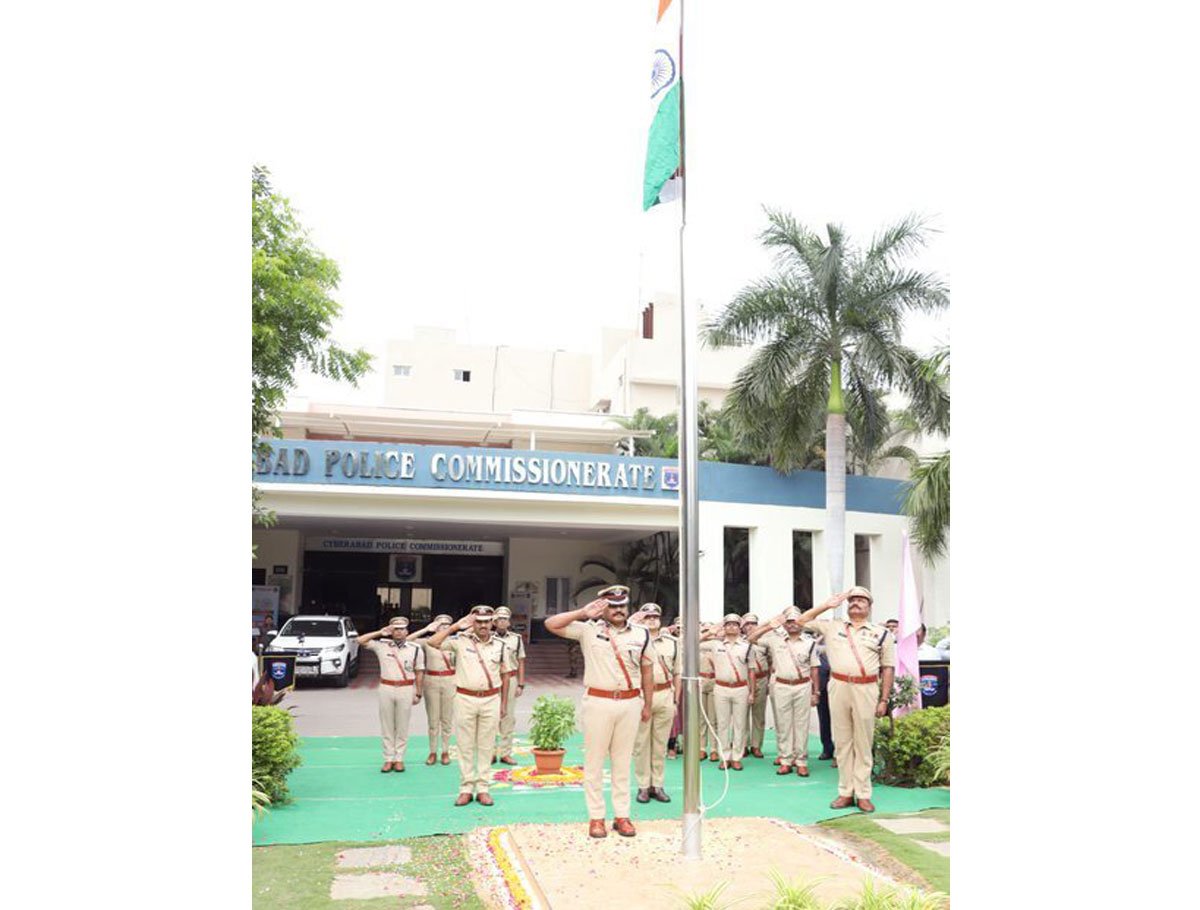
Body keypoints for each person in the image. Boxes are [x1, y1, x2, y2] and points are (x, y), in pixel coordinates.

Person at [545, 584, 654, 839]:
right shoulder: (588, 630)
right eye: (612, 606)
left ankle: (622, 816)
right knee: (594, 762)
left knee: (622, 762)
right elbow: (551, 624)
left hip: (630, 702)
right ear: (603, 608)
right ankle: (596, 818)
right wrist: (583, 613)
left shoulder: (642, 633)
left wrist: (647, 705)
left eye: (621, 605)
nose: (618, 610)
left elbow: (647, 671)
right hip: (598, 701)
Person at [799, 587, 896, 813]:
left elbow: (888, 667)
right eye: (852, 600)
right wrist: (827, 604)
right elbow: (802, 621)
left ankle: (863, 794)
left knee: (863, 742)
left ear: (869, 607)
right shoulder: (833, 626)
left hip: (866, 688)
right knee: (842, 741)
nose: (856, 603)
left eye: (861, 600)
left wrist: (884, 699)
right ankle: (845, 791)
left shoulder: (881, 633)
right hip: (839, 685)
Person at [426, 605, 510, 807]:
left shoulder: (500, 645)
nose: (483, 625)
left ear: (492, 623)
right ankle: (466, 788)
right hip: (465, 697)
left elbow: (505, 674)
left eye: (486, 621)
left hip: (491, 698)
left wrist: (504, 703)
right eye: (478, 621)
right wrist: (455, 626)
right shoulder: (460, 641)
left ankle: (483, 788)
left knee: (486, 745)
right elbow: (432, 642)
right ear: (473, 623)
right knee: (465, 745)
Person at [748, 606, 820, 776]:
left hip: (802, 685)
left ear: (802, 623)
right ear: (784, 624)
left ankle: (801, 760)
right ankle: (786, 760)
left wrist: (816, 692)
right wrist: (769, 626)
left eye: (795, 621)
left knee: (801, 724)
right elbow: (751, 638)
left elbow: (814, 668)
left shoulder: (809, 642)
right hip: (781, 685)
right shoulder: (775, 640)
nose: (792, 624)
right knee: (783, 724)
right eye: (788, 622)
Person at [357, 616, 426, 773]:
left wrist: (418, 692)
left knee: (402, 725)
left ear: (407, 631)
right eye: (395, 629)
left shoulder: (415, 649)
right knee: (387, 725)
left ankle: (399, 758)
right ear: (391, 631)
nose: (399, 632)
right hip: (386, 687)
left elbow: (419, 672)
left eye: (402, 629)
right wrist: (379, 632)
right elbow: (360, 640)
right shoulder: (382, 645)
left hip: (406, 688)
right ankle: (388, 758)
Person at [630, 603, 680, 803]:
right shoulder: (634, 641)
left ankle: (657, 785)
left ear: (660, 620)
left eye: (655, 617)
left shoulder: (672, 643)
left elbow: (678, 673)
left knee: (660, 744)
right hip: (642, 696)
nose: (651, 620)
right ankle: (643, 786)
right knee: (641, 744)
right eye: (647, 617)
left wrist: (675, 701)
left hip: (665, 694)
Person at [700, 614, 753, 770]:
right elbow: (690, 643)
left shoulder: (746, 646)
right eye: (728, 624)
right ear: (723, 627)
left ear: (740, 628)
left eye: (735, 624)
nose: (731, 627)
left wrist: (751, 692)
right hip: (721, 687)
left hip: (740, 687)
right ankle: (724, 756)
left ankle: (736, 756)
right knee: (722, 724)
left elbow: (751, 670)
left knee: (739, 724)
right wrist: (710, 632)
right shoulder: (715, 644)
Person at [409, 613, 456, 766]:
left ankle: (445, 751)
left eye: (446, 625)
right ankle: (433, 751)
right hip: (431, 680)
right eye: (440, 624)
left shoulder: (456, 642)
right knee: (433, 720)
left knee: (447, 719)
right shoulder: (428, 642)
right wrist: (426, 629)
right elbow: (408, 640)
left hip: (450, 680)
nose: (443, 627)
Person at [492, 605, 526, 764]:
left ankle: (505, 753)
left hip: (511, 679)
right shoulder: (488, 637)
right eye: (499, 619)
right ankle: (491, 752)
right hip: (493, 679)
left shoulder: (516, 639)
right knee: (491, 716)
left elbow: (521, 661)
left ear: (509, 622)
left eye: (505, 619)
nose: (502, 621)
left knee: (508, 716)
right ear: (494, 621)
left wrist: (521, 684)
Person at [741, 613, 771, 759]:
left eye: (753, 623)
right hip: (744, 681)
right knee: (742, 715)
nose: (750, 626)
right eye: (747, 624)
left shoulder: (764, 642)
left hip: (761, 679)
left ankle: (756, 745)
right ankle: (743, 745)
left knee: (759, 715)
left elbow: (771, 662)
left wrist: (769, 681)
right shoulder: (739, 642)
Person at [698, 622, 719, 761]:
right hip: (700, 681)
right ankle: (701, 747)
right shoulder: (696, 646)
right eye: (705, 631)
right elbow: (684, 643)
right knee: (701, 718)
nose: (709, 634)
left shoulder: (718, 646)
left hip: (714, 681)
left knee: (713, 718)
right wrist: (707, 634)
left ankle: (714, 749)